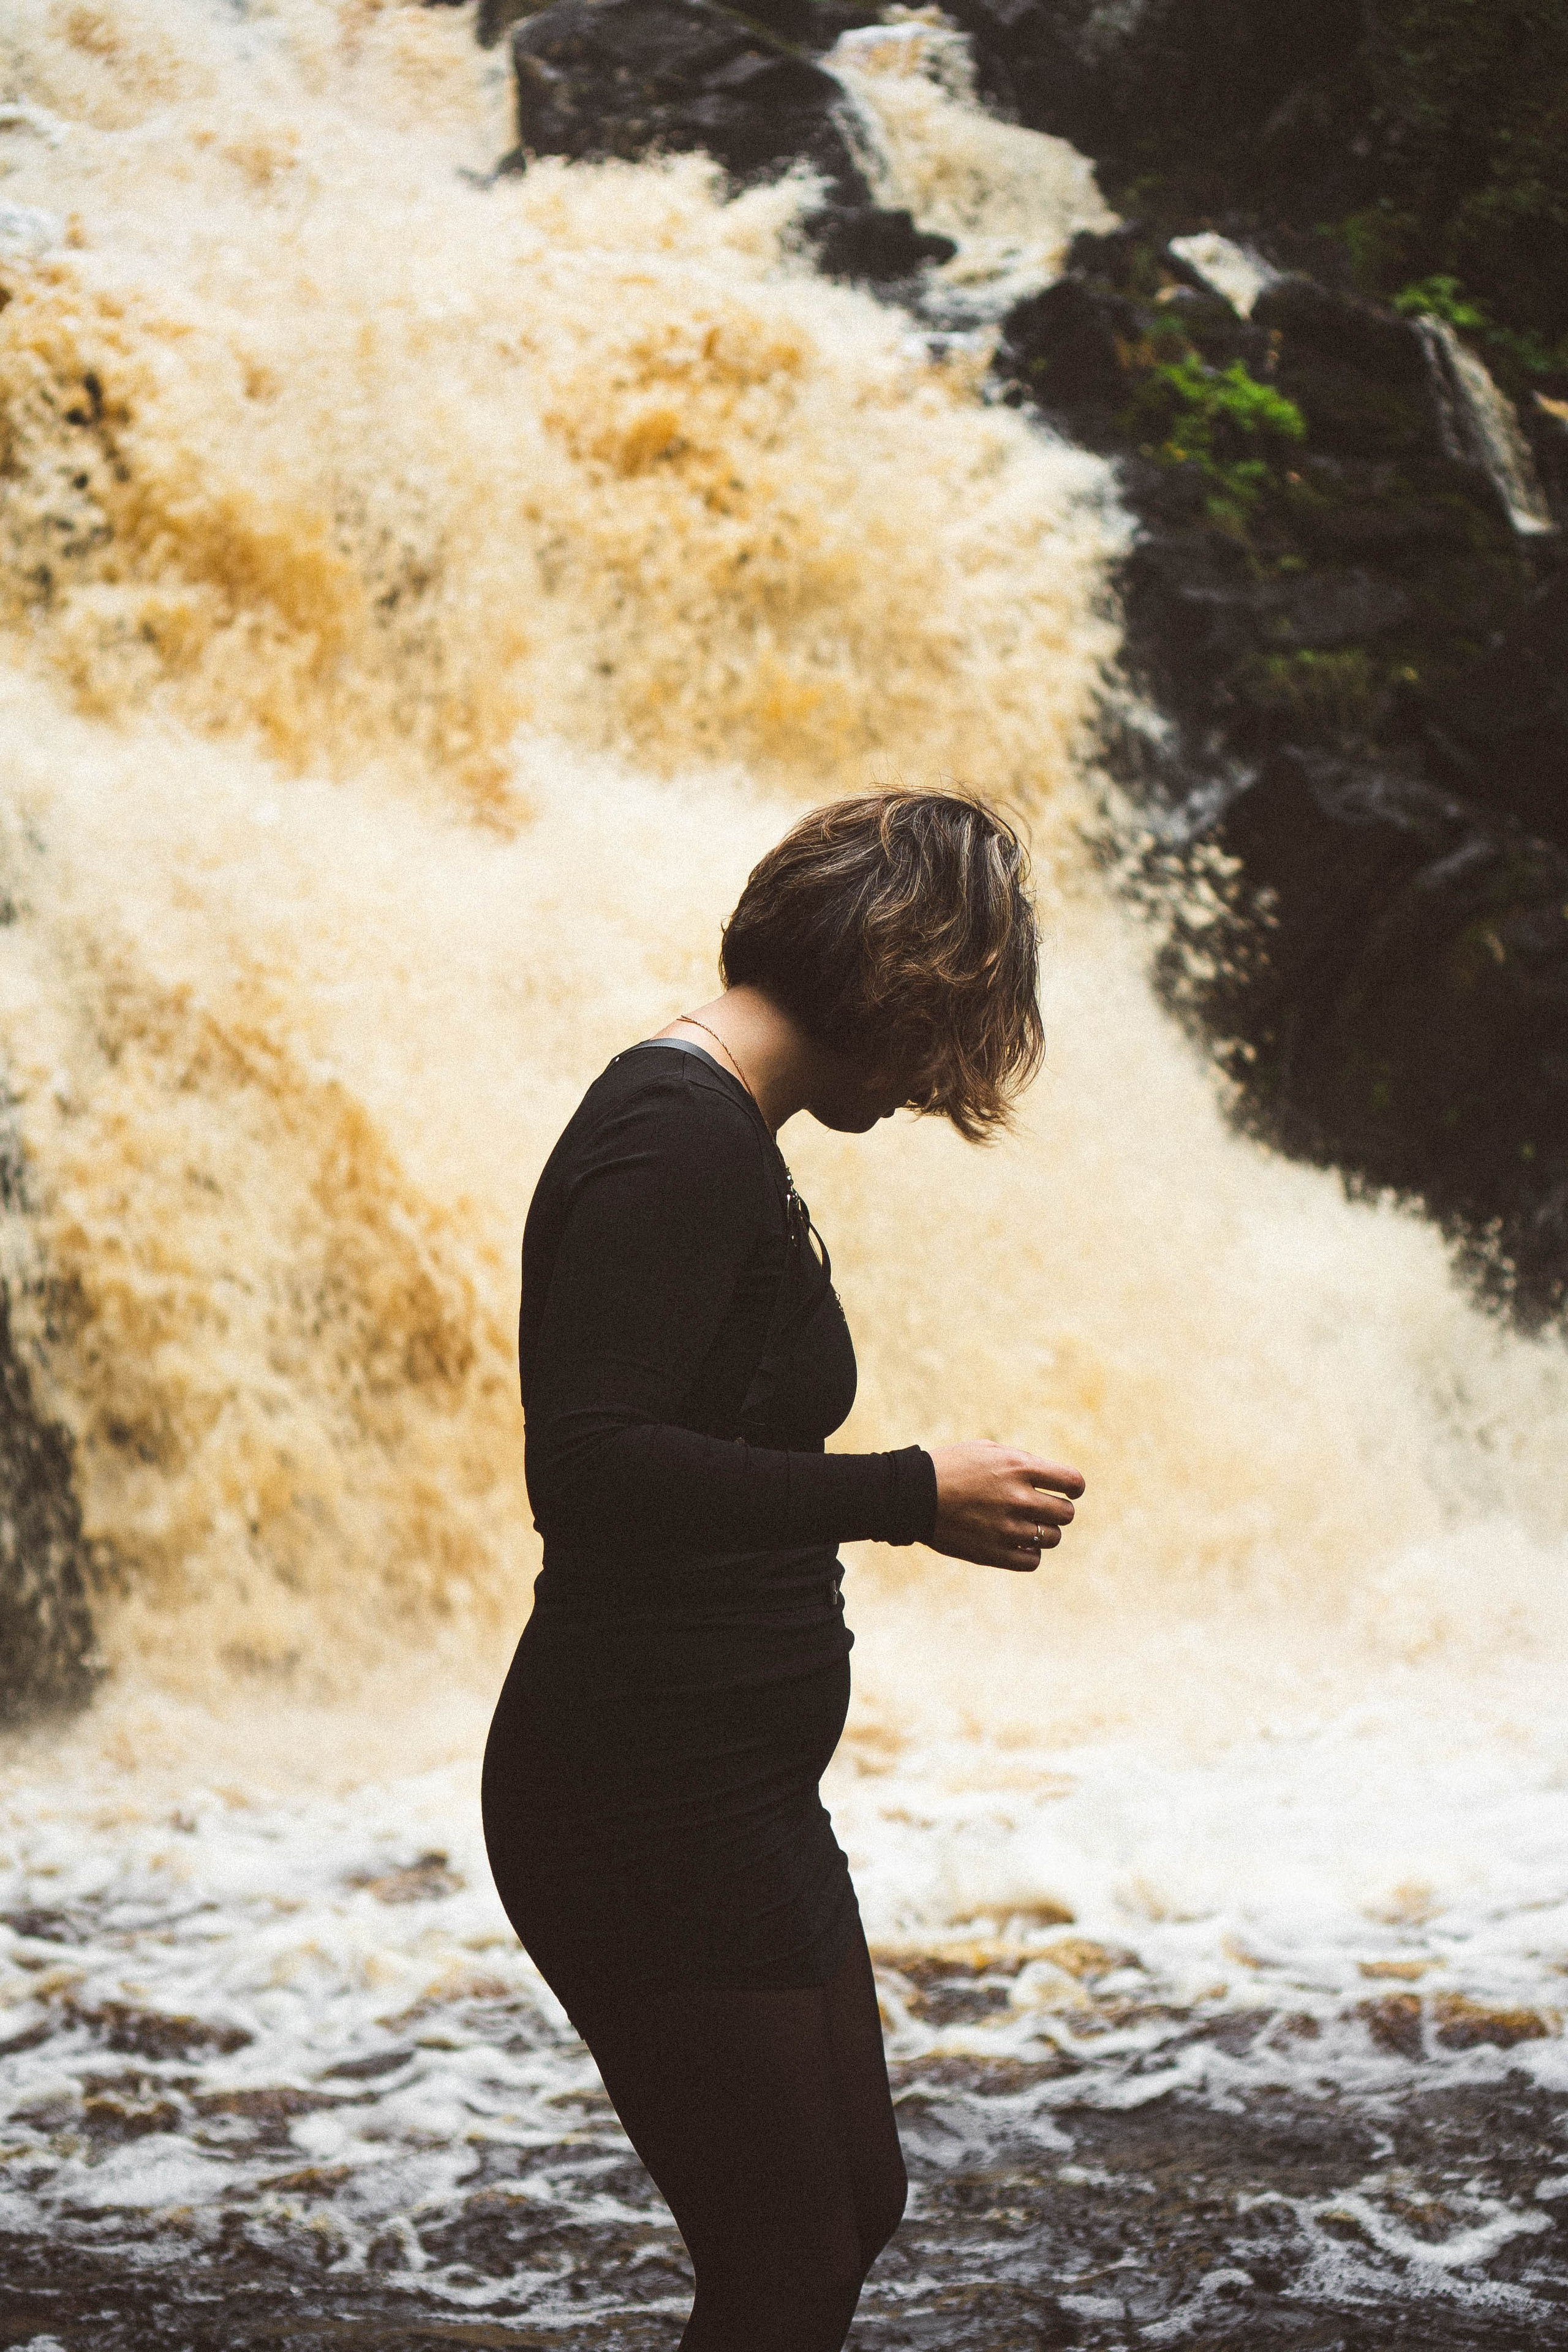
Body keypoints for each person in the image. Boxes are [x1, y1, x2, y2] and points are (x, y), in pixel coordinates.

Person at [483, 790, 1085, 2351]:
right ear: (910, 983)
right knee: (789, 2257)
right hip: (637, 1795)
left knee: (848, 2208)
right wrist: (907, 1493)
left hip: (729, 1785)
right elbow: (588, 1467)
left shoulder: (718, 1127)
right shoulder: (673, 1133)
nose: (948, 1073)